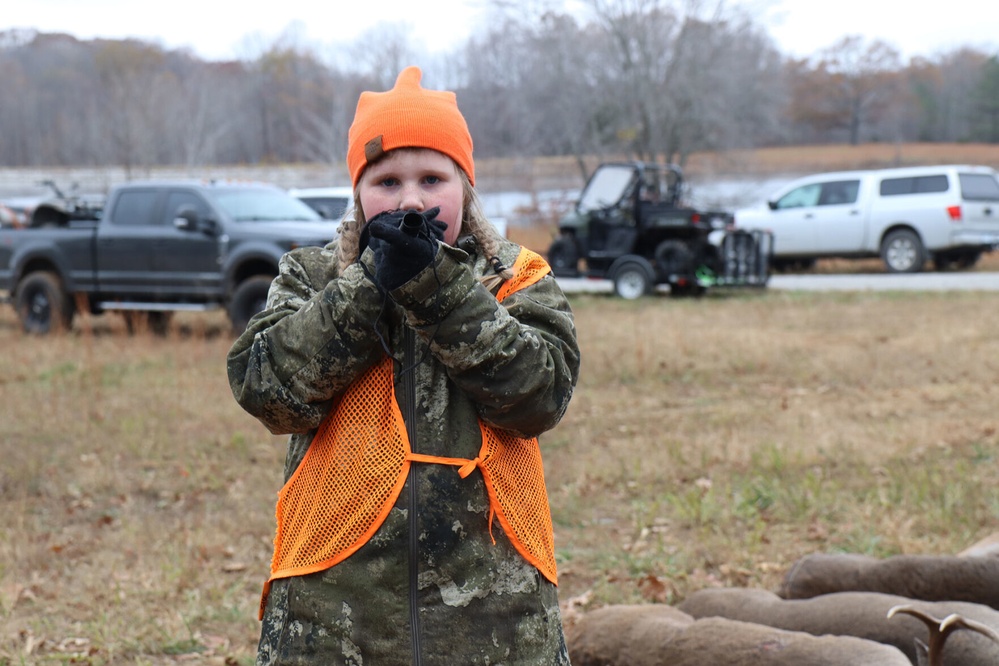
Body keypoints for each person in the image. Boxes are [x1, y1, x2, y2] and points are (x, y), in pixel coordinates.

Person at [227, 66, 581, 665]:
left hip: (494, 608)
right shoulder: (311, 277)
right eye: (387, 181)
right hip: (332, 610)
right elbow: (267, 390)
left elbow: (539, 396)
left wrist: (435, 287)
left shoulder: (515, 277)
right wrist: (368, 284)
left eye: (432, 178)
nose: (411, 199)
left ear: (464, 188)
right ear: (359, 194)